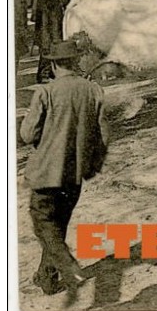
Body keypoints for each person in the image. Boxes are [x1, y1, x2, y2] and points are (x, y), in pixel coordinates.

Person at [20, 39, 108, 297]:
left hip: (46, 173)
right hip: (74, 175)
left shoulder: (45, 93)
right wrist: (94, 164)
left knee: (43, 223)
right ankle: (47, 277)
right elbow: (104, 134)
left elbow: (27, 134)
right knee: (57, 226)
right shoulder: (93, 90)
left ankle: (69, 266)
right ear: (77, 62)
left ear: (54, 65)